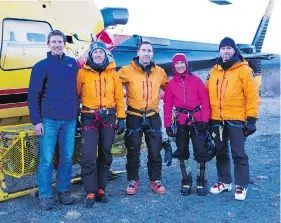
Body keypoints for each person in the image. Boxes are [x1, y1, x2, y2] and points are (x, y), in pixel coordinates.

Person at [28, 30, 79, 210]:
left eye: (60, 42)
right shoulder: (41, 66)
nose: (57, 45)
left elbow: (79, 90)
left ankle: (63, 190)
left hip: (70, 120)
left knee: (66, 157)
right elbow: (33, 95)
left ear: (64, 44)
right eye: (54, 42)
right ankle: (45, 194)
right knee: (46, 159)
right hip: (48, 120)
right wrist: (37, 121)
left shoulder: (72, 64)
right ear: (48, 44)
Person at [206, 37, 260, 201]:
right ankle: (224, 181)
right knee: (221, 152)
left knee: (238, 153)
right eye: (223, 48)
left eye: (229, 48)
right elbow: (206, 94)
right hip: (217, 120)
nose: (226, 51)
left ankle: (241, 184)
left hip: (236, 119)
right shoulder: (213, 71)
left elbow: (252, 96)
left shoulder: (244, 70)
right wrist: (206, 117)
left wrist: (251, 119)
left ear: (235, 50)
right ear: (220, 51)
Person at [77, 41, 125, 207]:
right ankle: (90, 191)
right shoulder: (82, 73)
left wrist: (121, 117)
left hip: (108, 117)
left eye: (101, 52)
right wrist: (77, 116)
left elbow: (119, 97)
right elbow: (76, 95)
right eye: (95, 52)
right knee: (88, 156)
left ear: (105, 55)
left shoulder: (112, 73)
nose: (98, 55)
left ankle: (101, 189)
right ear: (91, 54)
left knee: (105, 154)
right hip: (89, 117)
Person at [118, 41, 169, 195]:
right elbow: (112, 86)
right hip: (134, 115)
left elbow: (171, 90)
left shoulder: (159, 72)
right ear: (138, 52)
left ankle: (156, 179)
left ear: (152, 53)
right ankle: (133, 180)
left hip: (153, 115)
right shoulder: (126, 70)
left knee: (155, 151)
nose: (146, 53)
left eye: (149, 51)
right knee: (133, 151)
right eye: (144, 50)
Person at [164, 53, 211, 196]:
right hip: (181, 121)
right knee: (182, 151)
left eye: (182, 63)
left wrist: (205, 120)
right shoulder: (171, 84)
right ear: (174, 66)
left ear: (186, 64)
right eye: (176, 64)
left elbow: (205, 102)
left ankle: (201, 180)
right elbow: (167, 105)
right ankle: (186, 180)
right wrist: (167, 124)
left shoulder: (196, 81)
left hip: (197, 120)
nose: (179, 66)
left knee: (200, 151)